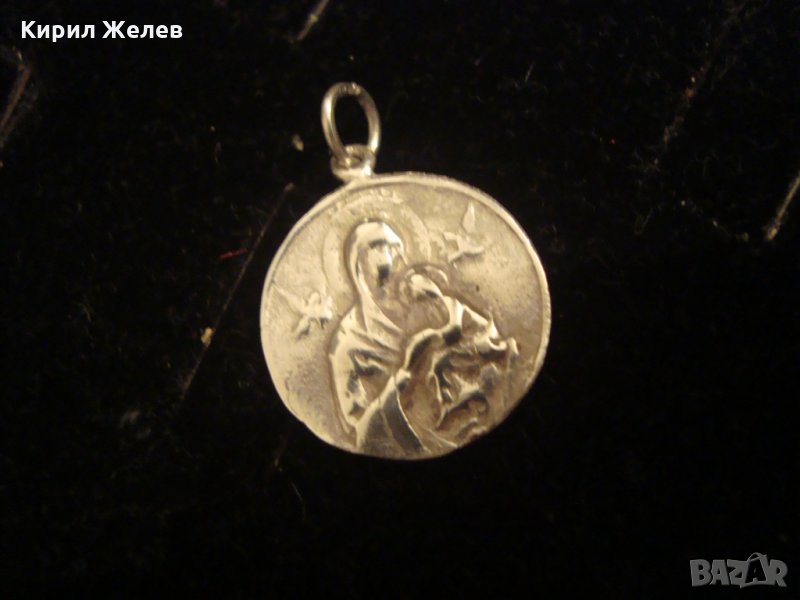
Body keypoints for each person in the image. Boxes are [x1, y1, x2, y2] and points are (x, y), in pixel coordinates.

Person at [328, 219, 517, 456]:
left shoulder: (429, 300)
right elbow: (359, 428)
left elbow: (490, 338)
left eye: (393, 250)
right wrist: (404, 377)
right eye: (378, 249)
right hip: (417, 435)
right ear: (358, 267)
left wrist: (449, 336)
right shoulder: (348, 342)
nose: (390, 259)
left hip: (474, 414)